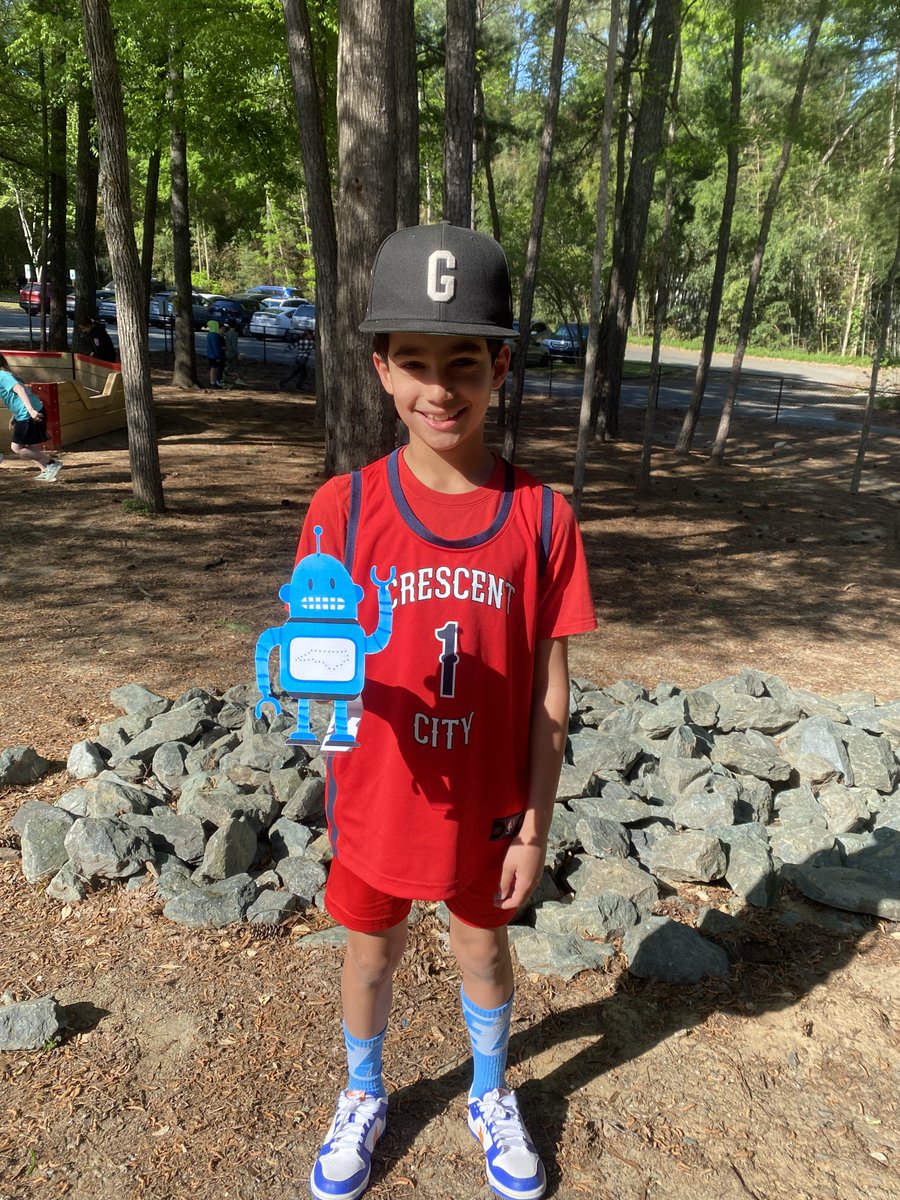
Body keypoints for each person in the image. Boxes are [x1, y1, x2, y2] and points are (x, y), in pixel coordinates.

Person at [292, 223, 596, 1200]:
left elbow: (550, 691)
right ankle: (366, 1091)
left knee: (482, 950)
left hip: (488, 810)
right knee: (369, 956)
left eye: (463, 362)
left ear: (500, 369)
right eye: (414, 362)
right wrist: (314, 690)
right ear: (380, 369)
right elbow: (313, 666)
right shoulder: (341, 512)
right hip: (380, 803)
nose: (439, 388)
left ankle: (490, 1089)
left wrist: (536, 823)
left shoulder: (543, 519)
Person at [0, 353, 62, 481]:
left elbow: (20, 391)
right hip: (27, 412)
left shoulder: (2, 376)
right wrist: (15, 416)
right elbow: (15, 396)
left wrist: (31, 411)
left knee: (17, 448)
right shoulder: (4, 375)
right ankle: (46, 471)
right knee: (30, 446)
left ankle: (51, 463)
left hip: (29, 414)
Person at [223, 320, 245, 386]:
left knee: (228, 366)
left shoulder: (226, 333)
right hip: (232, 353)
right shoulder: (235, 334)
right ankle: (238, 379)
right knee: (235, 367)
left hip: (226, 352)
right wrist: (237, 354)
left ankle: (224, 377)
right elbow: (234, 345)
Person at [206, 319, 225, 388]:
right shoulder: (215, 336)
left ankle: (213, 381)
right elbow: (215, 346)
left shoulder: (209, 335)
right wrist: (218, 356)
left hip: (210, 354)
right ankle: (213, 382)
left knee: (213, 368)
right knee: (214, 368)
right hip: (215, 355)